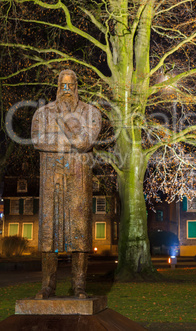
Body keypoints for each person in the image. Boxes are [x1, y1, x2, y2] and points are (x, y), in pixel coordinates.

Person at [31, 69, 101, 299]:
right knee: (49, 233)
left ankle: (79, 285)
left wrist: (63, 121)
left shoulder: (91, 112)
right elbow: (37, 141)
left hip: (79, 178)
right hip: (51, 179)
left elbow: (84, 142)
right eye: (63, 85)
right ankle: (47, 286)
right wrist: (70, 142)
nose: (67, 90)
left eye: (71, 85)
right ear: (57, 86)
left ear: (78, 86)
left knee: (79, 234)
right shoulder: (43, 113)